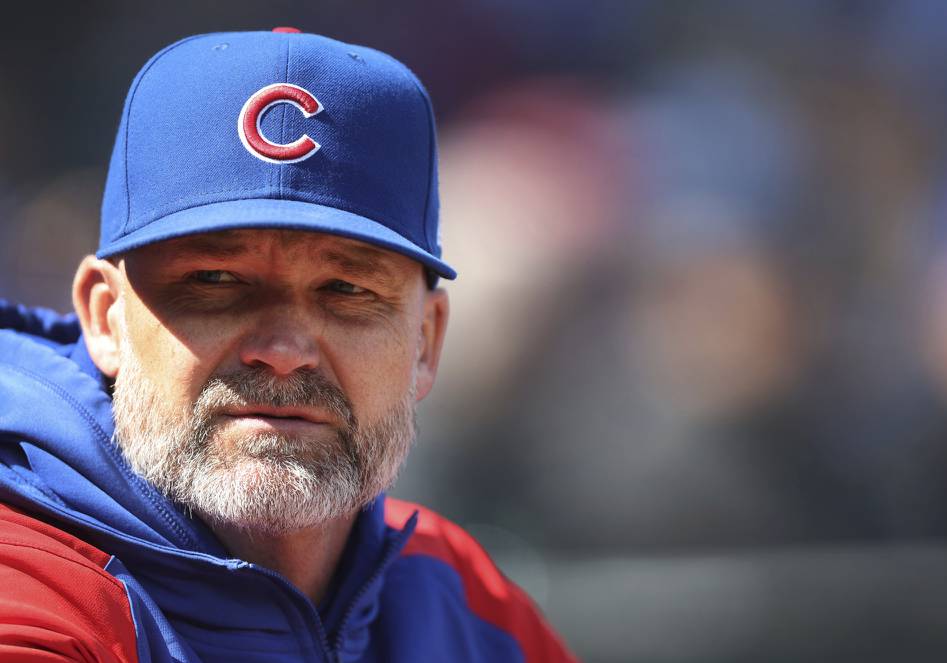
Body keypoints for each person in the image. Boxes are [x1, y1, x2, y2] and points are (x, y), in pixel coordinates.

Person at [0, 28, 576, 663]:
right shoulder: (30, 589)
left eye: (346, 289)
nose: (283, 350)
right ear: (105, 319)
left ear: (425, 343)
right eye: (214, 281)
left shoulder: (457, 597)